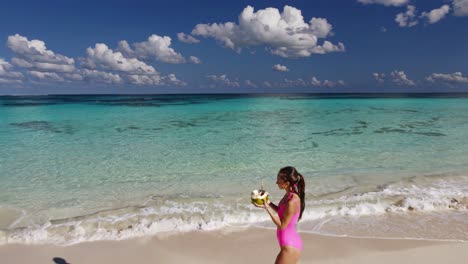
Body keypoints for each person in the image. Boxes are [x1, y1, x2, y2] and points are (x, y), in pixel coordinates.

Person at [253, 166, 305, 264]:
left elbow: (282, 225)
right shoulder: (288, 195)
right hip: (289, 244)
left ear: (287, 183)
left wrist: (267, 208)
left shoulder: (292, 201)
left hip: (290, 246)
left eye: (279, 180)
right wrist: (267, 202)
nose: (276, 182)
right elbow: (281, 211)